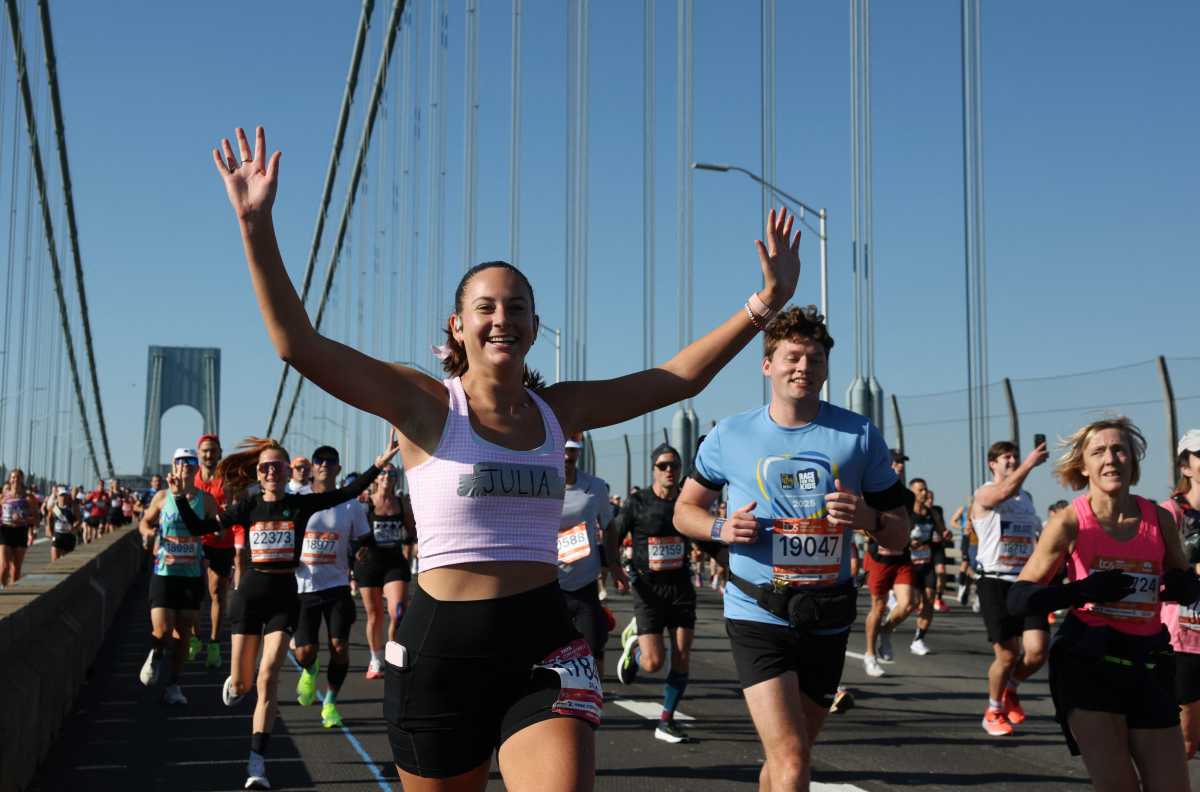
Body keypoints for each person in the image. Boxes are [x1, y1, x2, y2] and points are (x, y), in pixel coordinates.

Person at [212, 124, 799, 791]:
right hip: (439, 651)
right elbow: (299, 346)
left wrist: (764, 304)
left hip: (542, 643)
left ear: (533, 324)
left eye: (516, 307)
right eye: (484, 307)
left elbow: (677, 379)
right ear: (457, 326)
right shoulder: (423, 404)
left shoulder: (559, 411)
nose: (502, 319)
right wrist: (255, 226)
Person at [673, 304, 911, 792]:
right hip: (757, 610)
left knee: (791, 756)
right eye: (792, 357)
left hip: (827, 612)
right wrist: (721, 529)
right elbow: (684, 512)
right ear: (767, 365)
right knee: (793, 759)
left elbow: (900, 532)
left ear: (826, 368)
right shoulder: (730, 434)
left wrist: (865, 518)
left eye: (815, 359)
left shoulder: (858, 435)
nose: (804, 367)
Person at [175, 435, 392, 790]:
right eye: (265, 467)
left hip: (284, 598)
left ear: (287, 470)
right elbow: (201, 529)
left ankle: (256, 764)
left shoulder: (300, 505)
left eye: (278, 466)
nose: (272, 471)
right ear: (258, 474)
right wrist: (182, 497)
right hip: (248, 599)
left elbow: (345, 495)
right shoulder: (248, 506)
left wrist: (379, 464)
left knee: (269, 676)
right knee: (244, 685)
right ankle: (237, 680)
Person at [1008, 417, 1198, 790]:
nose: (1110, 458)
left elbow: (1185, 585)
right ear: (1084, 465)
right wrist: (1085, 591)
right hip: (1088, 664)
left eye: (1119, 450)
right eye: (1098, 452)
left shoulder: (1158, 519)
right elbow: (1019, 598)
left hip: (1148, 665)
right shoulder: (1069, 522)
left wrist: (1166, 585)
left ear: (1132, 462)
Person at [613, 444, 697, 744]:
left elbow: (707, 538)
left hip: (681, 587)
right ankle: (635, 649)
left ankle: (666, 720)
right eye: (663, 466)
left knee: (682, 655)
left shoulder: (687, 504)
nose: (669, 470)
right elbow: (614, 534)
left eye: (674, 465)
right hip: (648, 589)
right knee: (652, 663)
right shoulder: (637, 503)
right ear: (654, 469)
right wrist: (615, 569)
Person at [291, 443, 376, 728]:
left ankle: (329, 703)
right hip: (304, 587)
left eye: (331, 460)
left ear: (338, 468)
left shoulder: (350, 504)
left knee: (339, 647)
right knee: (304, 652)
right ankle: (310, 668)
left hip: (337, 585)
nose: (325, 464)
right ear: (313, 467)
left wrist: (363, 550)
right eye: (319, 460)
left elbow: (365, 540)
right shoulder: (297, 499)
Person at [973, 440, 1049, 736]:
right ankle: (992, 710)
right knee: (1006, 654)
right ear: (992, 463)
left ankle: (1011, 688)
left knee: (1037, 652)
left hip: (1026, 580)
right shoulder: (984, 493)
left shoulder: (1027, 498)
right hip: (994, 580)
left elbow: (1038, 537)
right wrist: (1030, 463)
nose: (1013, 460)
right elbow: (1003, 492)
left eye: (1015, 456)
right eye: (1007, 457)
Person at [138, 449, 222, 705]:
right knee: (162, 630)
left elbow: (217, 526)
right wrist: (147, 533)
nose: (185, 465)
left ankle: (174, 685)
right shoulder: (163, 497)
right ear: (173, 467)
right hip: (165, 572)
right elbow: (145, 522)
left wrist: (215, 533)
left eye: (190, 461)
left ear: (197, 468)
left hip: (190, 575)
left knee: (183, 633)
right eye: (180, 461)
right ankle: (156, 652)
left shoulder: (206, 500)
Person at [558, 436, 626, 680]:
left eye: (572, 452)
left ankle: (594, 703)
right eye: (564, 450)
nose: (567, 457)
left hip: (584, 582)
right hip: (547, 584)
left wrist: (615, 566)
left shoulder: (594, 487)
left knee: (593, 645)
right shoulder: (538, 484)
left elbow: (608, 527)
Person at [355, 461, 415, 680]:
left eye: (391, 473)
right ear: (377, 478)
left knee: (398, 612)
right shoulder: (366, 503)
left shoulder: (401, 503)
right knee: (374, 615)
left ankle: (392, 653)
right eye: (383, 473)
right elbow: (354, 532)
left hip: (394, 562)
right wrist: (356, 549)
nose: (387, 476)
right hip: (369, 563)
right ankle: (375, 659)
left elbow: (411, 533)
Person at [1162, 429, 1200, 757]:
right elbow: (1156, 573)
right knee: (1187, 743)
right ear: (1185, 466)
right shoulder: (1171, 513)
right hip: (1184, 636)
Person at [196, 433, 233, 669]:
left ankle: (214, 643)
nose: (209, 454)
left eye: (213, 450)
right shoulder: (191, 479)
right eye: (205, 450)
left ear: (220, 453)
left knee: (217, 592)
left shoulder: (227, 480)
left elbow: (236, 506)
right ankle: (194, 636)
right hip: (197, 543)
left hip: (222, 543)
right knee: (196, 593)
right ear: (199, 453)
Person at [907, 478, 946, 656]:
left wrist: (947, 533)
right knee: (912, 603)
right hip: (909, 564)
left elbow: (942, 532)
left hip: (927, 563)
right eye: (920, 490)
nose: (924, 493)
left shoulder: (932, 513)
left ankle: (919, 638)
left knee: (929, 600)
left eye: (925, 489)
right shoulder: (907, 513)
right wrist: (909, 542)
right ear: (912, 492)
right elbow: (897, 536)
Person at [0, 469, 38, 586]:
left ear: (22, 479)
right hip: (5, 530)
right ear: (10, 479)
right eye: (13, 477)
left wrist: (23, 519)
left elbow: (36, 518)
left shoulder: (28, 498)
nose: (15, 479)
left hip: (21, 531)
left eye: (18, 477)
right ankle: (3, 588)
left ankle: (13, 591)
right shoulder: (3, 496)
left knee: (16, 568)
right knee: (4, 566)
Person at [47, 486, 81, 560]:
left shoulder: (72, 506)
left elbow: (78, 520)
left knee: (66, 561)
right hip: (58, 535)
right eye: (61, 495)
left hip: (69, 536)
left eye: (65, 495)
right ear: (58, 496)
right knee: (55, 561)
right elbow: (49, 518)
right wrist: (49, 529)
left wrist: (74, 527)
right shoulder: (55, 508)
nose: (63, 498)